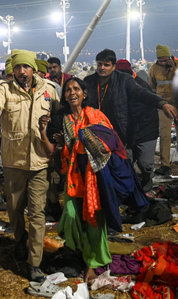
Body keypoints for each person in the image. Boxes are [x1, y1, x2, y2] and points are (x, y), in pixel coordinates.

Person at [38, 77, 149, 282]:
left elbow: (108, 144)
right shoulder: (63, 120)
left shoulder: (96, 115)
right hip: (74, 178)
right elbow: (56, 151)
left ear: (84, 93)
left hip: (96, 178)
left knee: (94, 221)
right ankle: (85, 252)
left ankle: (93, 263)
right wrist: (45, 133)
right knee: (70, 218)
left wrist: (80, 136)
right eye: (68, 89)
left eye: (76, 89)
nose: (72, 92)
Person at [0, 49, 60, 282]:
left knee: (37, 213)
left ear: (33, 69)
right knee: (15, 209)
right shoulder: (4, 89)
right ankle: (19, 239)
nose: (21, 71)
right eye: (17, 67)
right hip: (14, 162)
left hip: (40, 162)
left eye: (25, 67)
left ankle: (34, 262)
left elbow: (59, 117)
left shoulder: (49, 90)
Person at [84, 49, 177, 148]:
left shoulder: (123, 80)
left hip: (117, 130)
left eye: (106, 65)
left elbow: (142, 93)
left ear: (113, 67)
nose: (102, 68)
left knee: (120, 161)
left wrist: (162, 104)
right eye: (99, 64)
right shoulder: (88, 81)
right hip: (95, 128)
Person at [115, 59, 158, 191]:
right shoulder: (115, 87)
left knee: (145, 164)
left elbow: (140, 114)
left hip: (145, 131)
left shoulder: (141, 87)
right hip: (126, 133)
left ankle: (147, 178)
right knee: (126, 162)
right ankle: (130, 186)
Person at [149, 44, 178, 176]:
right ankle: (165, 164)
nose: (163, 62)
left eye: (165, 60)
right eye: (161, 60)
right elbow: (152, 87)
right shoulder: (154, 68)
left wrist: (173, 69)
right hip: (164, 105)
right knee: (165, 135)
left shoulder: (176, 65)